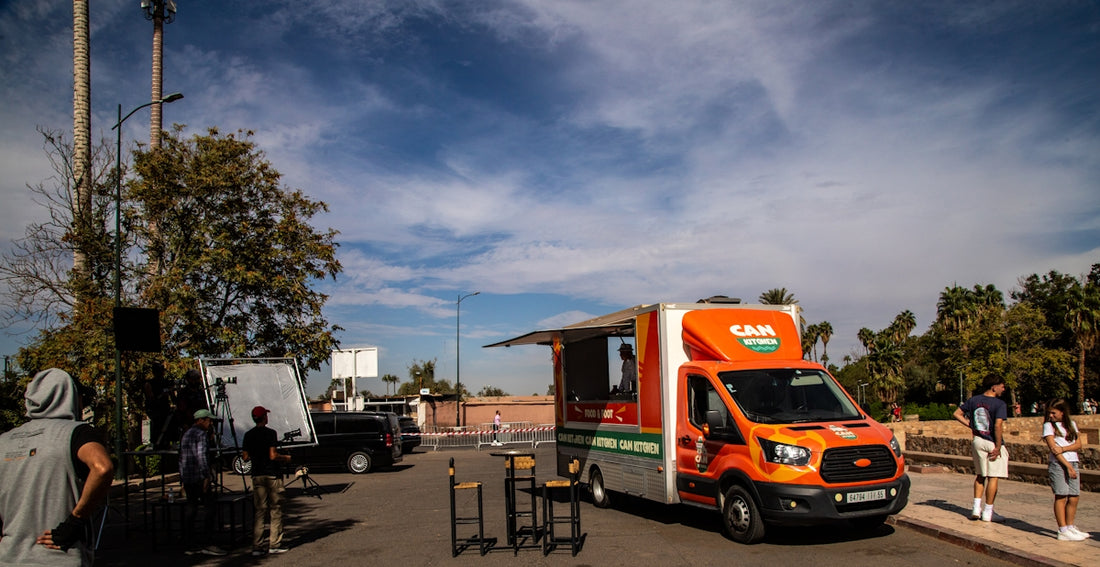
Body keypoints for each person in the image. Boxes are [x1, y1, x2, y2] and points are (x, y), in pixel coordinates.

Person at [0, 368, 114, 566]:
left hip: (9, 557)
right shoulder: (76, 433)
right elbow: (102, 468)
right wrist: (75, 522)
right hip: (59, 556)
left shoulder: (4, 441)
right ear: (69, 396)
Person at [953, 375, 1009, 522]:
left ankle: (976, 508)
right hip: (991, 441)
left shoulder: (974, 400)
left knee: (980, 475)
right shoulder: (1000, 404)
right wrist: (997, 446)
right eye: (1002, 386)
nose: (1003, 389)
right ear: (994, 386)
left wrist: (971, 425)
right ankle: (988, 512)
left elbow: (957, 413)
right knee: (993, 476)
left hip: (978, 440)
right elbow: (998, 426)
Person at [242, 405, 292, 556]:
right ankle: (274, 543)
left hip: (257, 475)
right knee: (275, 509)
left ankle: (257, 546)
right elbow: (272, 455)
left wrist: (255, 454)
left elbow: (245, 457)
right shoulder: (270, 433)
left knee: (259, 511)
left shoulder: (248, 435)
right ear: (264, 417)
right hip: (271, 475)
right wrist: (286, 458)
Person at [179, 409, 226, 556]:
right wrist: (206, 477)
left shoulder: (186, 434)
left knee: (191, 508)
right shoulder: (201, 434)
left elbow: (182, 458)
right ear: (200, 420)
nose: (210, 423)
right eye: (208, 420)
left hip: (188, 477)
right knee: (210, 508)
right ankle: (208, 542)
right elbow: (202, 457)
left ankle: (189, 542)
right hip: (199, 477)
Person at [1042, 399, 1088, 541]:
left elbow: (1078, 444)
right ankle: (1062, 529)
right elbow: (1053, 448)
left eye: (1054, 413)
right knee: (1061, 495)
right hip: (1059, 463)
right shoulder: (1048, 426)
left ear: (1062, 412)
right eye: (1049, 413)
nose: (1051, 416)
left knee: (1074, 496)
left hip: (1073, 461)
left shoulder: (1071, 425)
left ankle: (1070, 526)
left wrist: (1063, 448)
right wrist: (1067, 466)